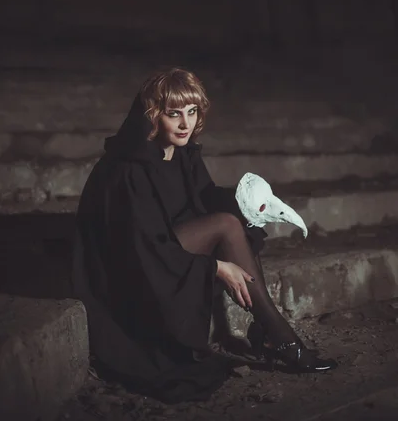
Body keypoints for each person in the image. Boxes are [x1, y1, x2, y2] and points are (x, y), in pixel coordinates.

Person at [72, 67, 337, 403]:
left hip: (163, 244)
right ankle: (278, 336)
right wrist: (215, 268)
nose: (185, 124)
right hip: (130, 269)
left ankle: (273, 333)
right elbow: (139, 247)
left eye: (192, 112)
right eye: (174, 114)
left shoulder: (184, 153)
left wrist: (247, 199)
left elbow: (202, 198)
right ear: (153, 115)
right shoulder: (128, 168)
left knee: (233, 220)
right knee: (226, 225)